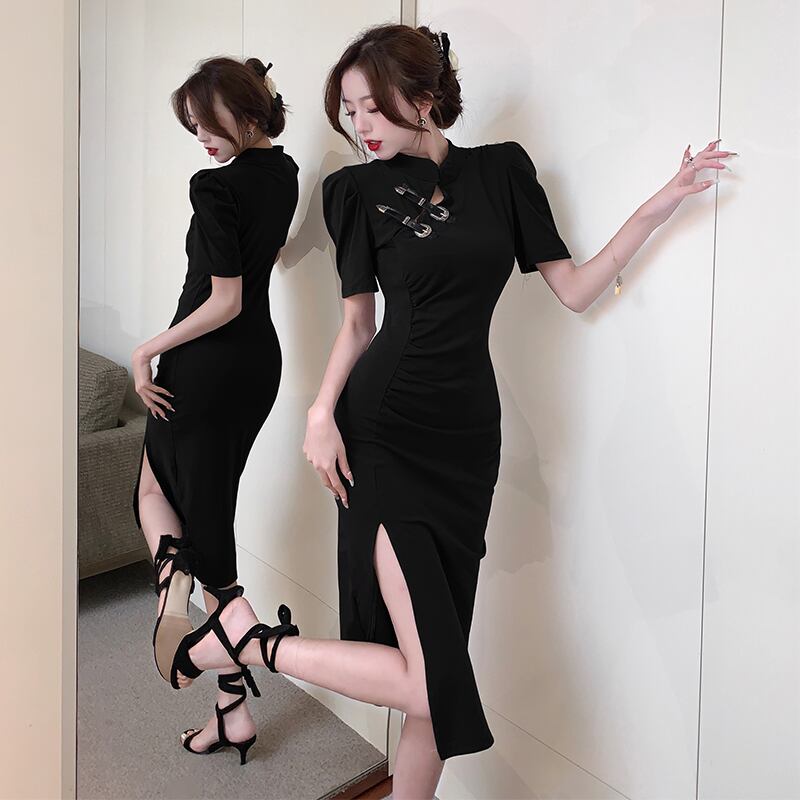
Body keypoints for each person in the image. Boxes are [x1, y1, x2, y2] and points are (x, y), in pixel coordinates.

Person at [156, 24, 732, 796]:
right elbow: (358, 325)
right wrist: (321, 413)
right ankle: (250, 643)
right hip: (381, 432)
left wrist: (662, 204)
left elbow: (574, 288)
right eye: (348, 111)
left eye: (372, 107)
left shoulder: (502, 172)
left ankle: (247, 649)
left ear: (423, 98)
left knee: (434, 665)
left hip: (466, 441)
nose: (359, 125)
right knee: (434, 678)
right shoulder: (354, 193)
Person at [130, 55, 299, 765]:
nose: (199, 137)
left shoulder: (215, 186)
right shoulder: (284, 172)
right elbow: (261, 270)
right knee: (198, 507)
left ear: (247, 112)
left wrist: (148, 349)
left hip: (205, 364)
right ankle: (232, 710)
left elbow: (223, 299)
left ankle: (183, 586)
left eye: (205, 123)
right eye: (192, 127)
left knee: (154, 494)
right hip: (257, 364)